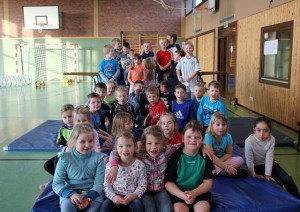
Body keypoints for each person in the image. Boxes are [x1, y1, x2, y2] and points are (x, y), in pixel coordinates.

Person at [108, 125, 179, 212]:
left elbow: (181, 145)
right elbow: (115, 152)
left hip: (160, 189)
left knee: (166, 209)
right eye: (149, 143)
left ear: (162, 143)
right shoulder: (140, 153)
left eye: (157, 143)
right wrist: (114, 166)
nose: (153, 147)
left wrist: (200, 146)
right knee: (150, 210)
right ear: (144, 143)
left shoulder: (166, 151)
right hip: (144, 191)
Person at [53, 123, 106, 212]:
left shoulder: (98, 158)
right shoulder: (65, 158)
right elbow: (57, 184)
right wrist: (71, 194)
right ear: (74, 141)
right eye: (82, 141)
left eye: (90, 141)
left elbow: (99, 184)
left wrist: (88, 198)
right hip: (70, 194)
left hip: (93, 194)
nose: (87, 145)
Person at [245, 116, 300, 199]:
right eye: (259, 130)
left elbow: (269, 157)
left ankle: (297, 199)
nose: (262, 134)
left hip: (270, 163)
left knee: (287, 179)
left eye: (265, 130)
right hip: (256, 166)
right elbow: (249, 159)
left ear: (270, 132)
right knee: (278, 182)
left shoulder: (271, 139)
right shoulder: (249, 141)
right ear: (254, 130)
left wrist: (268, 174)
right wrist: (253, 174)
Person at [165, 120, 214, 212]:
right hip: (179, 192)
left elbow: (208, 183)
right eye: (189, 137)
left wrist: (194, 193)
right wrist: (182, 195)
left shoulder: (206, 158)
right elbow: (168, 183)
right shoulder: (175, 157)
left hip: (199, 191)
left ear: (202, 140)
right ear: (182, 138)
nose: (192, 140)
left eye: (197, 137)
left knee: (203, 209)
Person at [102, 131, 146, 212]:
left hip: (132, 197)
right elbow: (106, 186)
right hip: (115, 196)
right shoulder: (110, 166)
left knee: (138, 206)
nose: (125, 149)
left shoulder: (140, 165)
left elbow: (142, 185)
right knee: (105, 207)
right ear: (117, 149)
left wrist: (134, 195)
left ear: (135, 147)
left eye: (129, 145)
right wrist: (113, 197)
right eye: (121, 146)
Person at [204, 112, 248, 177]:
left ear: (226, 125)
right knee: (205, 164)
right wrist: (225, 167)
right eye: (218, 125)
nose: (221, 127)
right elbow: (211, 156)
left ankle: (217, 171)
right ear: (212, 125)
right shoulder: (208, 136)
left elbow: (229, 154)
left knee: (240, 160)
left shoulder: (228, 136)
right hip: (211, 161)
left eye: (223, 124)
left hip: (222, 160)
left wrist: (220, 163)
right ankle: (226, 172)